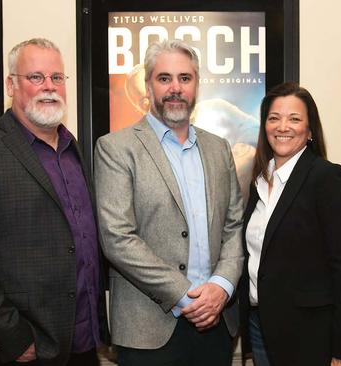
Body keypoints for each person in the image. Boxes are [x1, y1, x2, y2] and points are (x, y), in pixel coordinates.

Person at [0, 38, 108, 366]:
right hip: (25, 349)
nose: (49, 87)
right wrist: (13, 338)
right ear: (10, 85)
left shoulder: (74, 149)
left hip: (84, 343)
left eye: (57, 78)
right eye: (36, 77)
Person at [94, 39, 244, 366]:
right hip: (148, 331)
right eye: (164, 78)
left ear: (196, 85)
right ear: (149, 85)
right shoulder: (115, 149)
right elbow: (117, 238)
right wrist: (184, 295)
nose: (175, 88)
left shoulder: (218, 148)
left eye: (185, 78)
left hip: (216, 326)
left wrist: (221, 286)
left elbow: (234, 227)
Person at [239, 82, 341, 366]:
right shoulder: (257, 182)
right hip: (260, 326)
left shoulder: (327, 179)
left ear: (309, 130)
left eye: (294, 119)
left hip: (308, 333)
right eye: (274, 118)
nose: (283, 126)